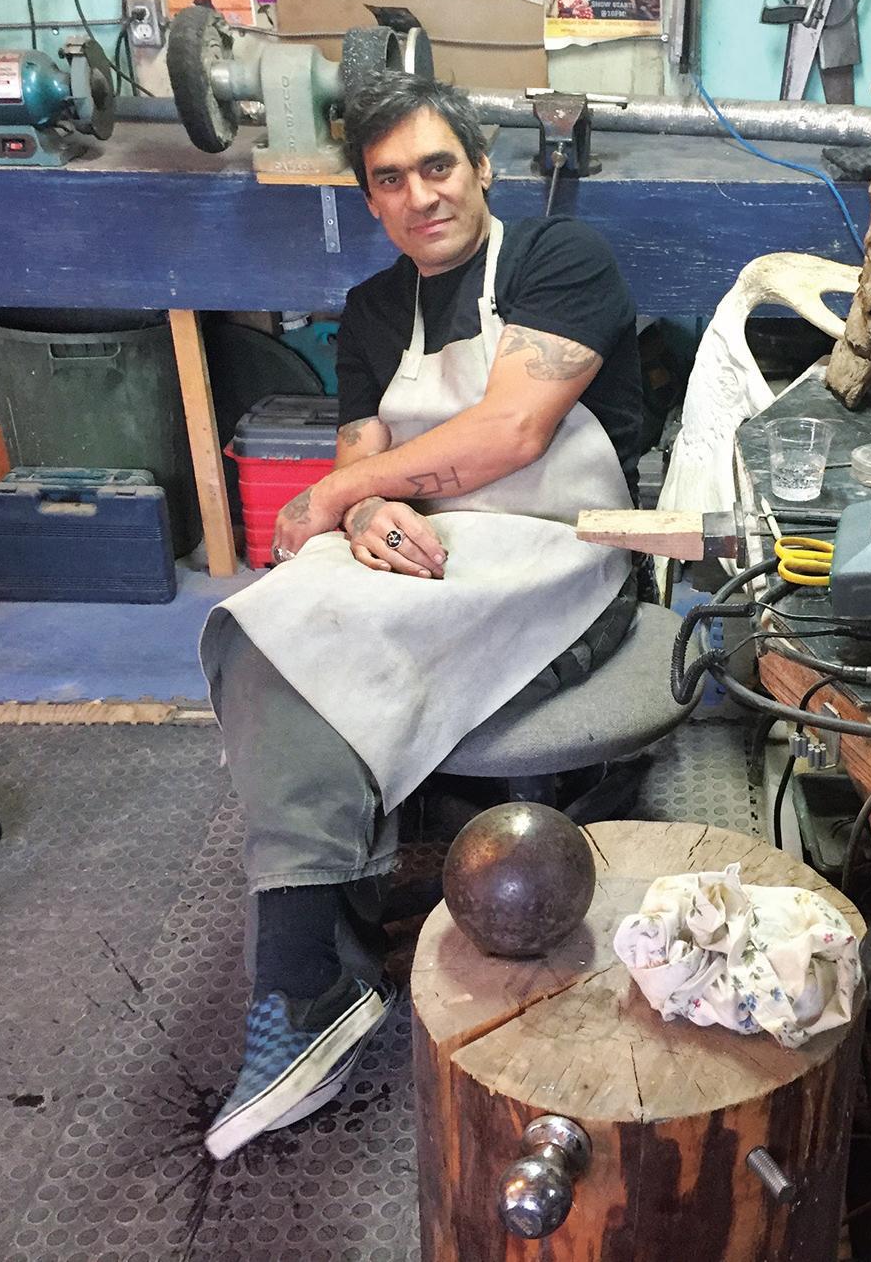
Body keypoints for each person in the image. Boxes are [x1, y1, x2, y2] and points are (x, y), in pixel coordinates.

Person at [197, 74, 644, 1160]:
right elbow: (360, 461)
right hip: (430, 546)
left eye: (438, 166)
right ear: (370, 198)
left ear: (482, 168)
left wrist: (343, 496)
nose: (420, 196)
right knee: (261, 620)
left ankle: (306, 974)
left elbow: (513, 432)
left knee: (319, 639)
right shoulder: (369, 311)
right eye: (389, 179)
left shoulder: (558, 259)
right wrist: (364, 508)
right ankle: (315, 975)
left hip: (562, 552)